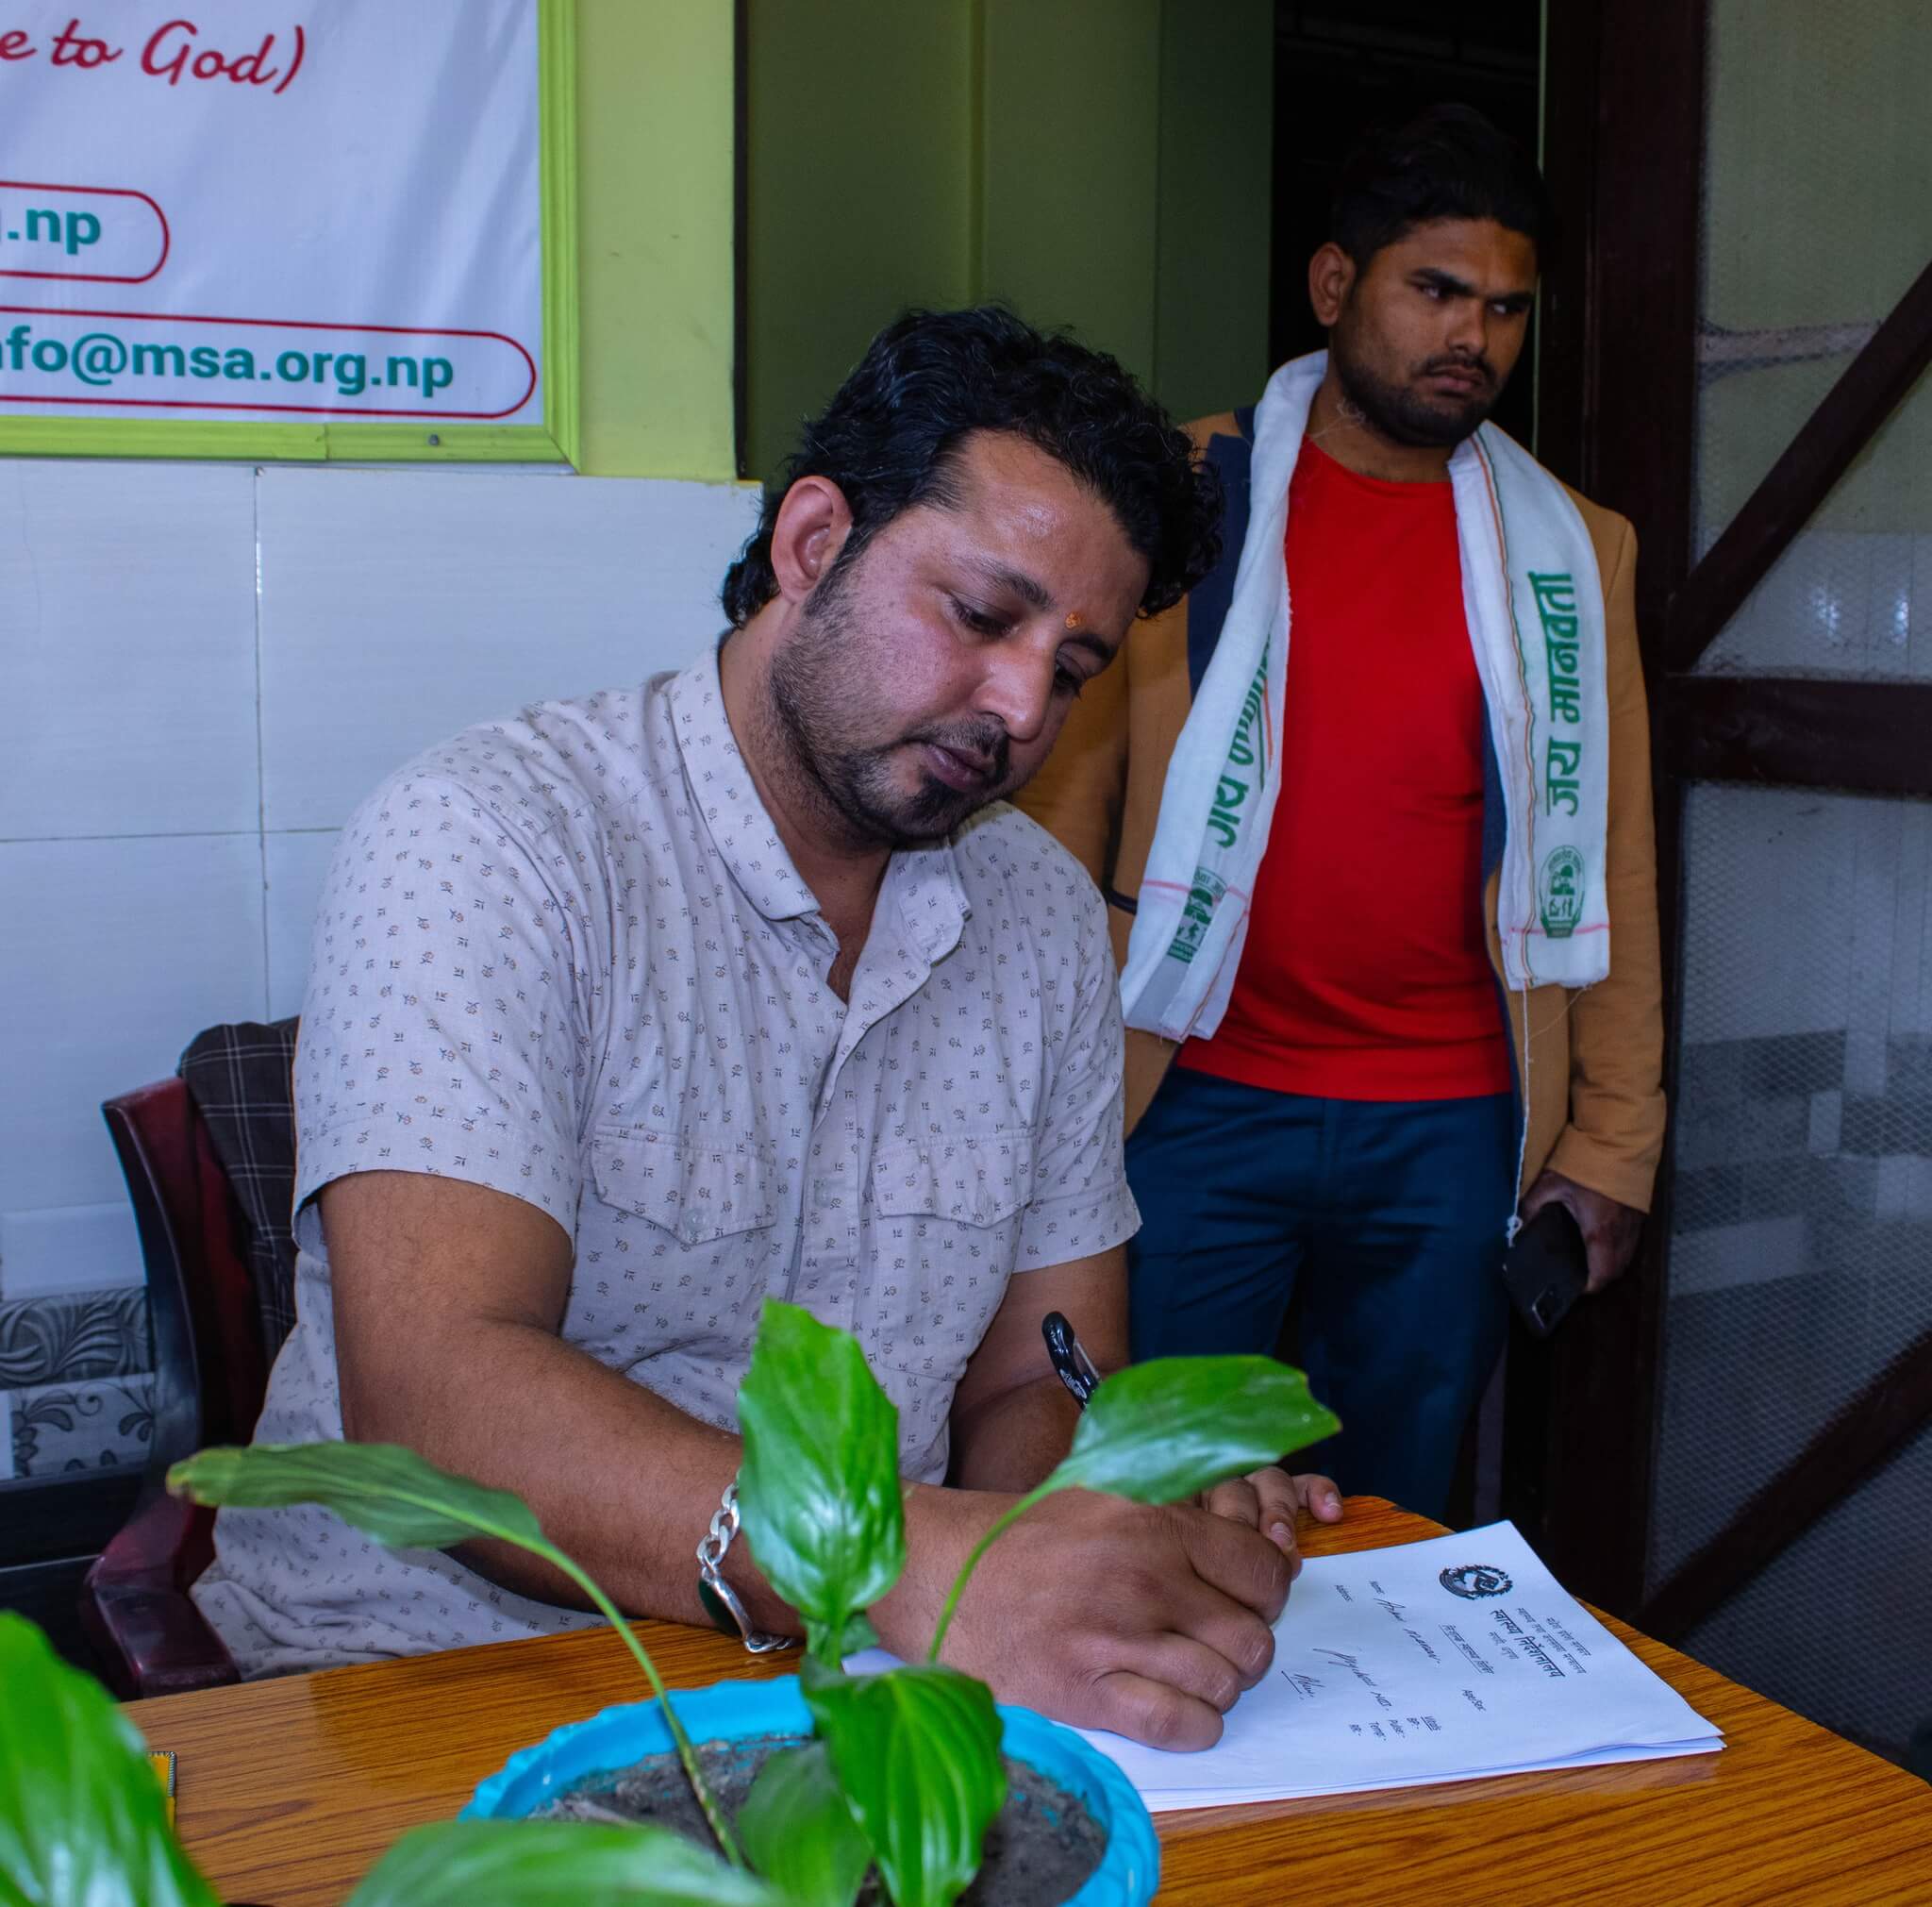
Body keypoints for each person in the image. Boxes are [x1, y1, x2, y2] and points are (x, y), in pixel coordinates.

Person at [192, 306, 1341, 1751]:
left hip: (849, 1693)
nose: (1017, 708)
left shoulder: (1040, 914)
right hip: (418, 1681)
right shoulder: (495, 839)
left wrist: (1096, 1516)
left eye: (1071, 667)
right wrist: (907, 1568)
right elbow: (438, 1390)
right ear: (813, 542)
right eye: (982, 616)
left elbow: (1032, 1375)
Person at [1018, 107, 1665, 1520]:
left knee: (1392, 1522)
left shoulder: (1575, 551)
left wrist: (1612, 1141)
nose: (1474, 337)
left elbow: (1609, 858)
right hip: (1185, 1095)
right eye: (1436, 290)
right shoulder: (1176, 495)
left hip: (1451, 1124)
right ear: (1333, 285)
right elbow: (1059, 815)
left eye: (1506, 308)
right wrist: (1025, 1094)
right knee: (1144, 1502)